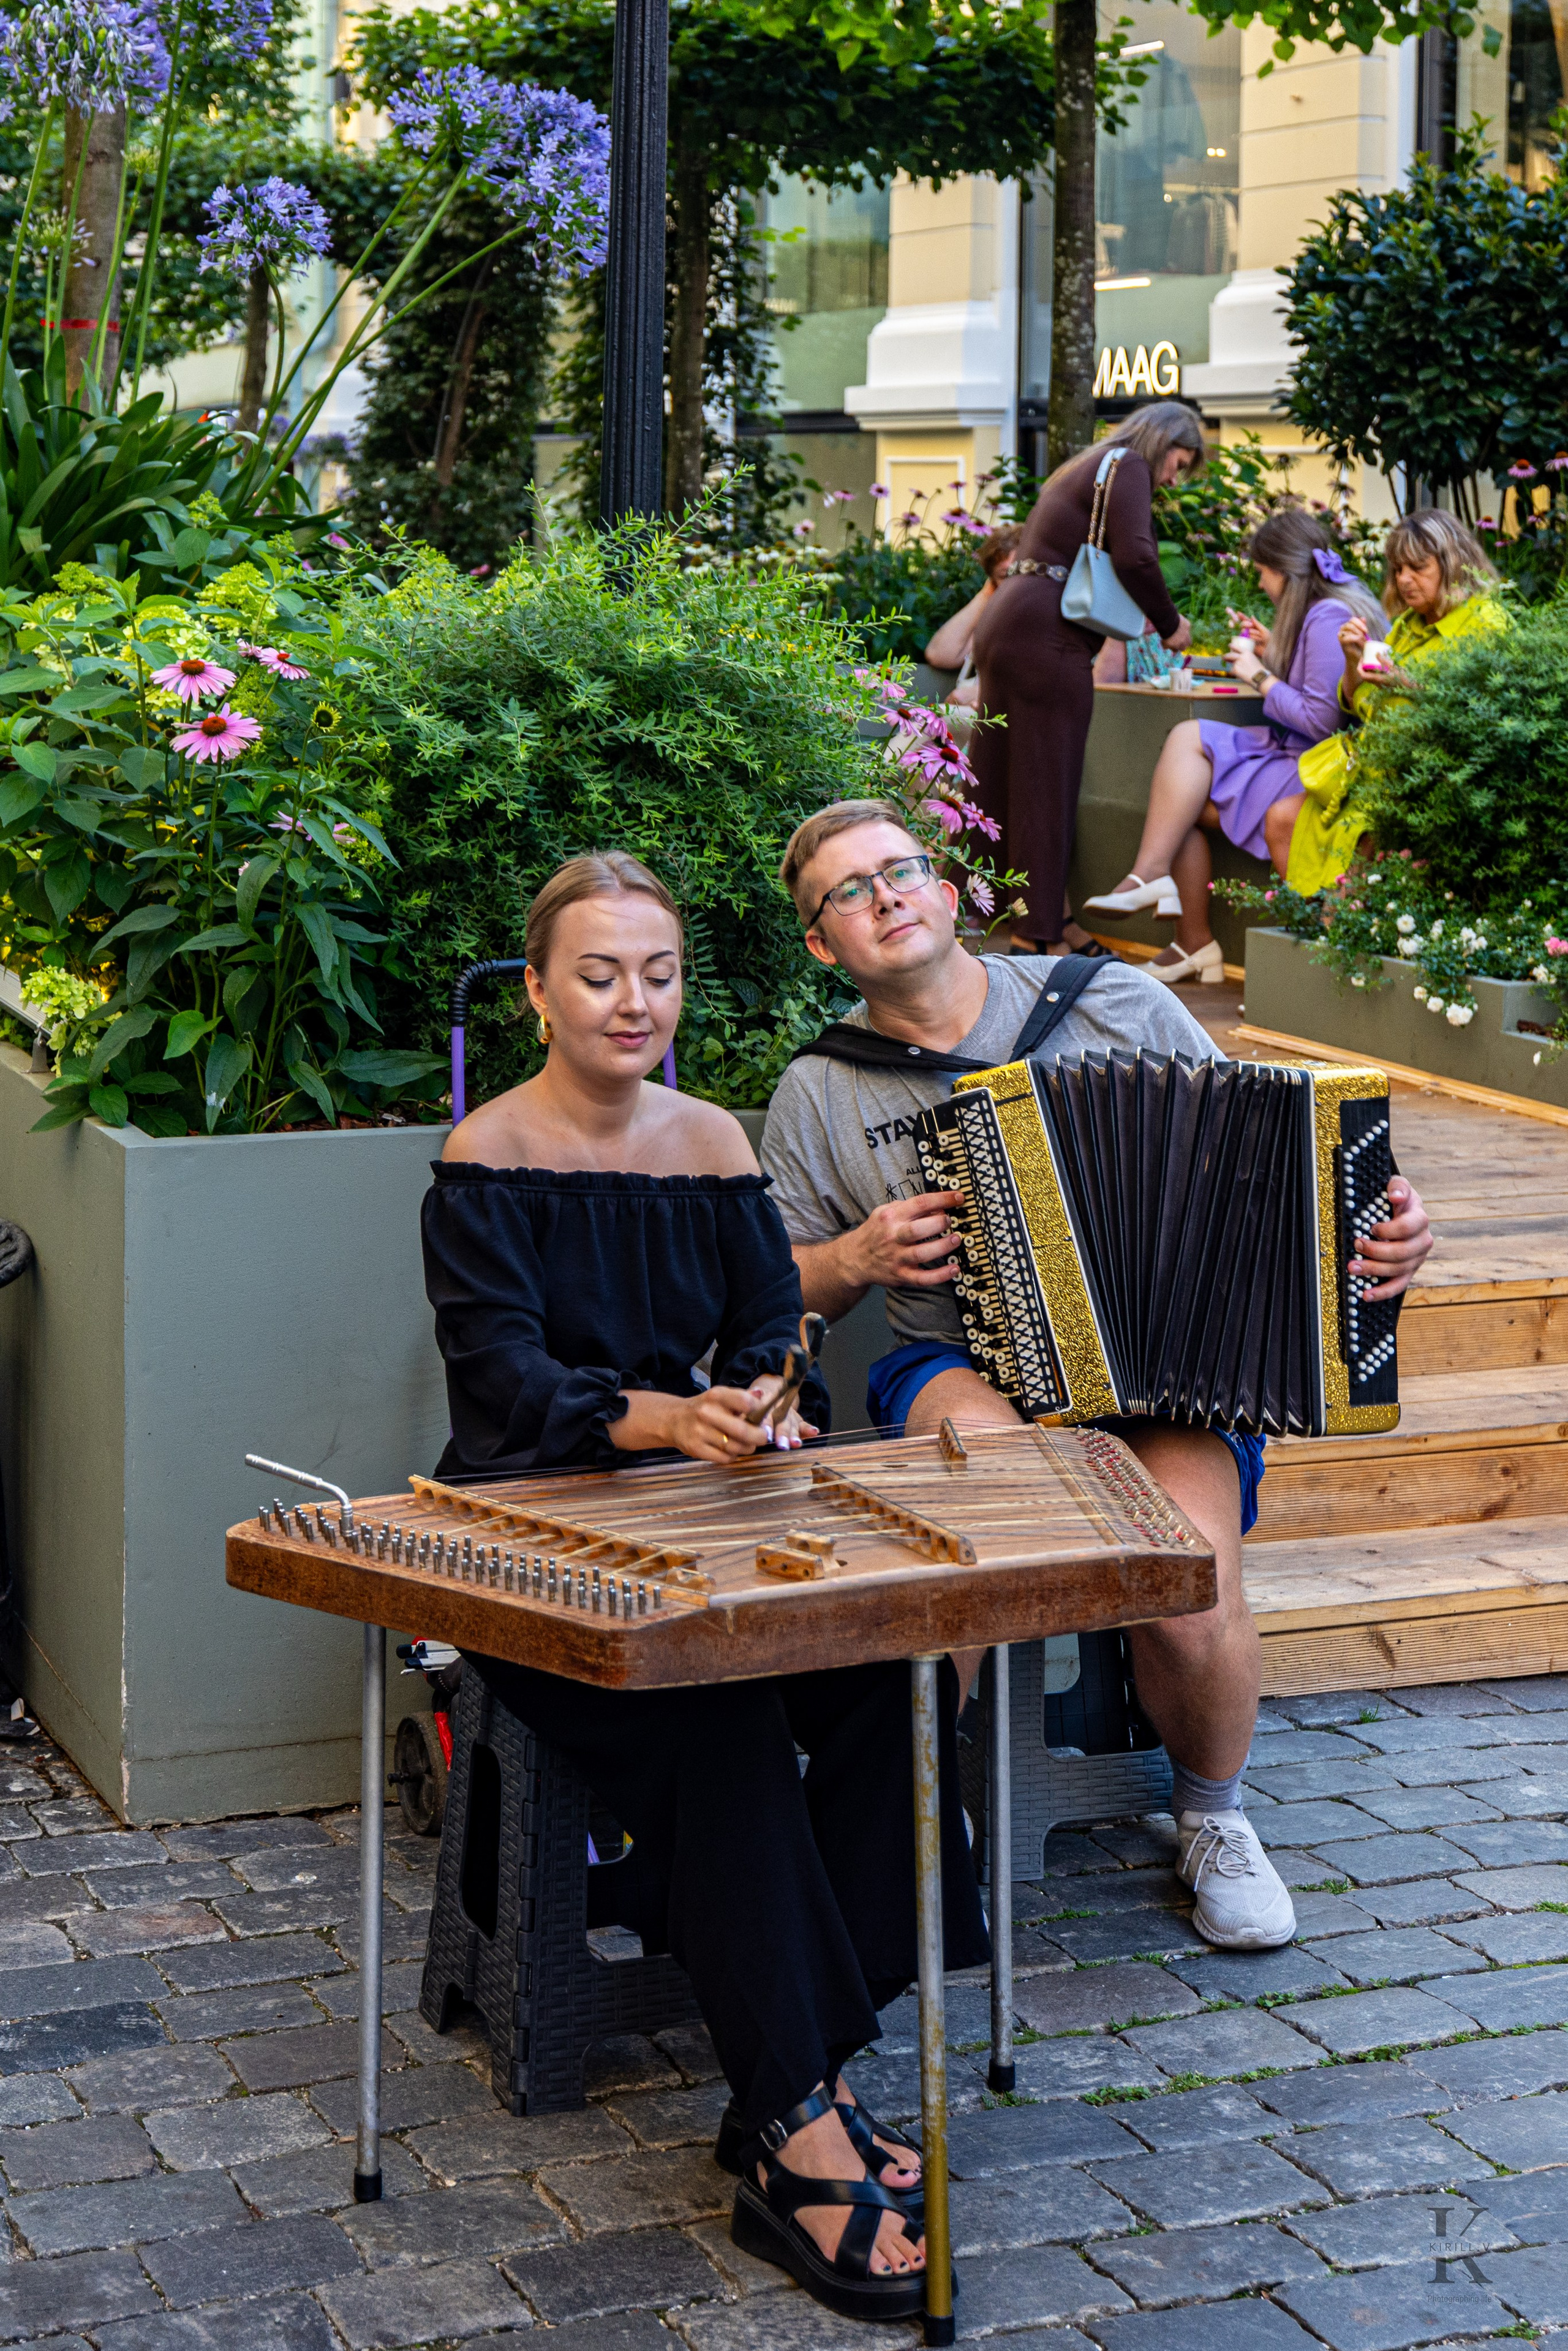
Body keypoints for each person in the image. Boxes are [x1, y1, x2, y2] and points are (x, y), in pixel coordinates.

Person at [422, 850, 988, 2325]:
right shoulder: (483, 1158)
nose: (633, 1000)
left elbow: (765, 1322)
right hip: (540, 1544)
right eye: (599, 973)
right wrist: (665, 1419)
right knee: (722, 1717)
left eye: (657, 972)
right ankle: (796, 2133)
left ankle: (795, 2067)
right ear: (539, 990)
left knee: (895, 1671)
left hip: (718, 1514)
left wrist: (763, 1398)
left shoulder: (717, 1143)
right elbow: (504, 1389)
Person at [758, 801, 1434, 1951]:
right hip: (957, 1361)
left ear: (947, 888)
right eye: (849, 893)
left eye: (903, 870)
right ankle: (917, 1827)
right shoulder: (821, 1090)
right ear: (824, 944)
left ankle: (1213, 1815)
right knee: (981, 1517)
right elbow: (775, 1291)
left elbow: (1271, 1168)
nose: (887, 896)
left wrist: (1383, 1233)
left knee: (1188, 1581)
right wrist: (854, 1257)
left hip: (1169, 1367)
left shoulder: (1108, 998)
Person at [1082, 509, 1385, 984]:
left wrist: (1257, 674)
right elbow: (1317, 687)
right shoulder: (1317, 612)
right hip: (1294, 753)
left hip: (1314, 764)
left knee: (1180, 798)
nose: (1262, 585)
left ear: (1283, 571)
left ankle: (1177, 917)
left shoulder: (1328, 616)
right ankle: (1174, 913)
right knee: (1184, 766)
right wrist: (1272, 651)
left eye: (1262, 573)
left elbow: (1322, 720)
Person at [967, 401, 1204, 957]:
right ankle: (1034, 939)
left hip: (1010, 623)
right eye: (1179, 461)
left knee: (996, 782)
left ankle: (988, 918)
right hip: (1048, 636)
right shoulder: (1129, 465)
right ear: (1162, 440)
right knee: (1048, 787)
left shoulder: (1087, 463)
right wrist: (1170, 624)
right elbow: (1139, 558)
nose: (1172, 478)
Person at [1284, 508, 1505, 898]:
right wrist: (1352, 660)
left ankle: (1334, 932)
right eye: (1398, 568)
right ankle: (1313, 923)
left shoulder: (1486, 624)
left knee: (1342, 886)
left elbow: (1489, 716)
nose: (1404, 580)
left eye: (1417, 567)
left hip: (1417, 787)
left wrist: (1411, 685)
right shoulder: (1408, 626)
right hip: (1364, 776)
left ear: (1453, 565)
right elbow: (1355, 703)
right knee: (1279, 820)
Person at [922, 525, 1022, 709]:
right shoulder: (996, 622)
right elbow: (940, 655)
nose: (1013, 584)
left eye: (1019, 572)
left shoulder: (1050, 622)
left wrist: (983, 693)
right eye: (1004, 576)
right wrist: (987, 594)